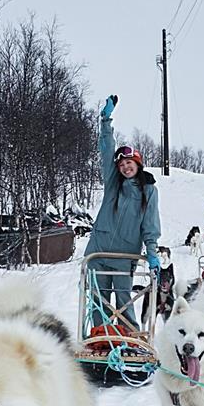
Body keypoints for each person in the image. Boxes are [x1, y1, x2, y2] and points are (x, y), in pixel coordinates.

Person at [85, 95, 161, 328]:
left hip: (124, 257)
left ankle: (130, 341)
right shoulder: (113, 186)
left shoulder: (149, 191)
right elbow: (107, 150)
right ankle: (98, 339)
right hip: (98, 253)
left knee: (123, 302)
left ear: (138, 164)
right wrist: (105, 121)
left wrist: (152, 252)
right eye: (122, 164)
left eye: (130, 162)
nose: (126, 167)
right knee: (98, 301)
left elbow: (150, 226)